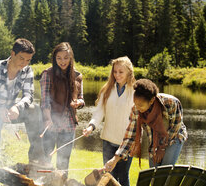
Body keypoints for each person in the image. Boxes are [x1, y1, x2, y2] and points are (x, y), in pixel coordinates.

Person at [0, 38, 44, 186]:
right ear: (12, 54)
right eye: (21, 58)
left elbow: (29, 96)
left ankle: (36, 161)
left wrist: (18, 107)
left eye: (28, 60)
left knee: (34, 109)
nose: (24, 63)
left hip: (10, 110)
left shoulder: (27, 70)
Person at [104, 78, 188, 173]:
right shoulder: (136, 109)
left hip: (174, 137)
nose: (137, 108)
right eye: (135, 103)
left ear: (151, 100)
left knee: (165, 172)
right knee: (154, 173)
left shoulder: (171, 102)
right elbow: (130, 136)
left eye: (140, 105)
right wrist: (115, 159)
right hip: (154, 139)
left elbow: (175, 128)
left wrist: (162, 148)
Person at [83, 56, 135, 186]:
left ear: (129, 71)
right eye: (115, 71)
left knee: (123, 178)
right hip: (108, 140)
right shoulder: (107, 89)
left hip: (126, 143)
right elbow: (99, 111)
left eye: (121, 72)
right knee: (108, 177)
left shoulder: (135, 91)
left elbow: (138, 120)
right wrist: (91, 126)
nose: (117, 75)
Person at [40, 42, 84, 179]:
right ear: (54, 58)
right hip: (51, 123)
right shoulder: (48, 74)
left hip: (69, 125)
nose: (62, 61)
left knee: (64, 163)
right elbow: (45, 100)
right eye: (59, 58)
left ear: (71, 57)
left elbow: (82, 99)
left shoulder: (77, 75)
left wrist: (79, 103)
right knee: (46, 161)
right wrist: (48, 119)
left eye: (65, 57)